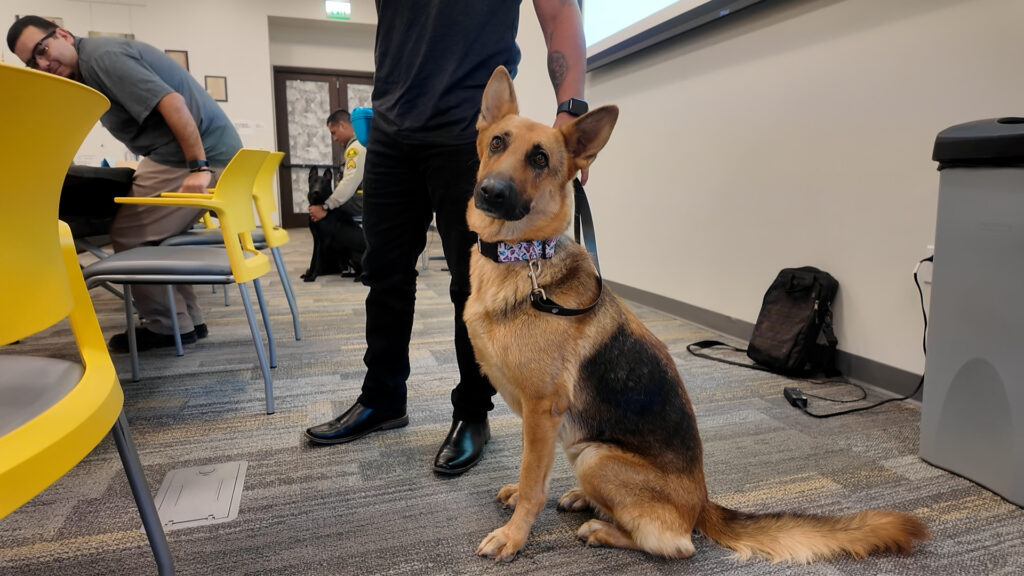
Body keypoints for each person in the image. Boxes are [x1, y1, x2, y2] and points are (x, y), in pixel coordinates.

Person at [304, 0, 588, 476]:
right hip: (391, 128)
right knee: (384, 273)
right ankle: (382, 399)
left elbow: (559, 12)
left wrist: (570, 111)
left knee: (471, 280)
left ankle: (472, 413)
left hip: (471, 130)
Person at [7, 15, 243, 352]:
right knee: (155, 235)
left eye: (43, 50)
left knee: (129, 233)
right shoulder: (89, 68)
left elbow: (173, 102)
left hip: (194, 156)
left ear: (62, 34)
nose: (44, 63)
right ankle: (186, 319)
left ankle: (166, 326)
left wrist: (199, 167)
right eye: (34, 62)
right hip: (194, 152)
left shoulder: (101, 58)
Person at [307, 109, 367, 277]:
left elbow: (349, 183)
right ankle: (333, 261)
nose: (334, 138)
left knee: (328, 216)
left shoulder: (355, 148)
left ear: (342, 125)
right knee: (327, 212)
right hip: (363, 201)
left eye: (334, 132)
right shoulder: (358, 145)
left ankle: (331, 262)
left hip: (364, 203)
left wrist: (326, 207)